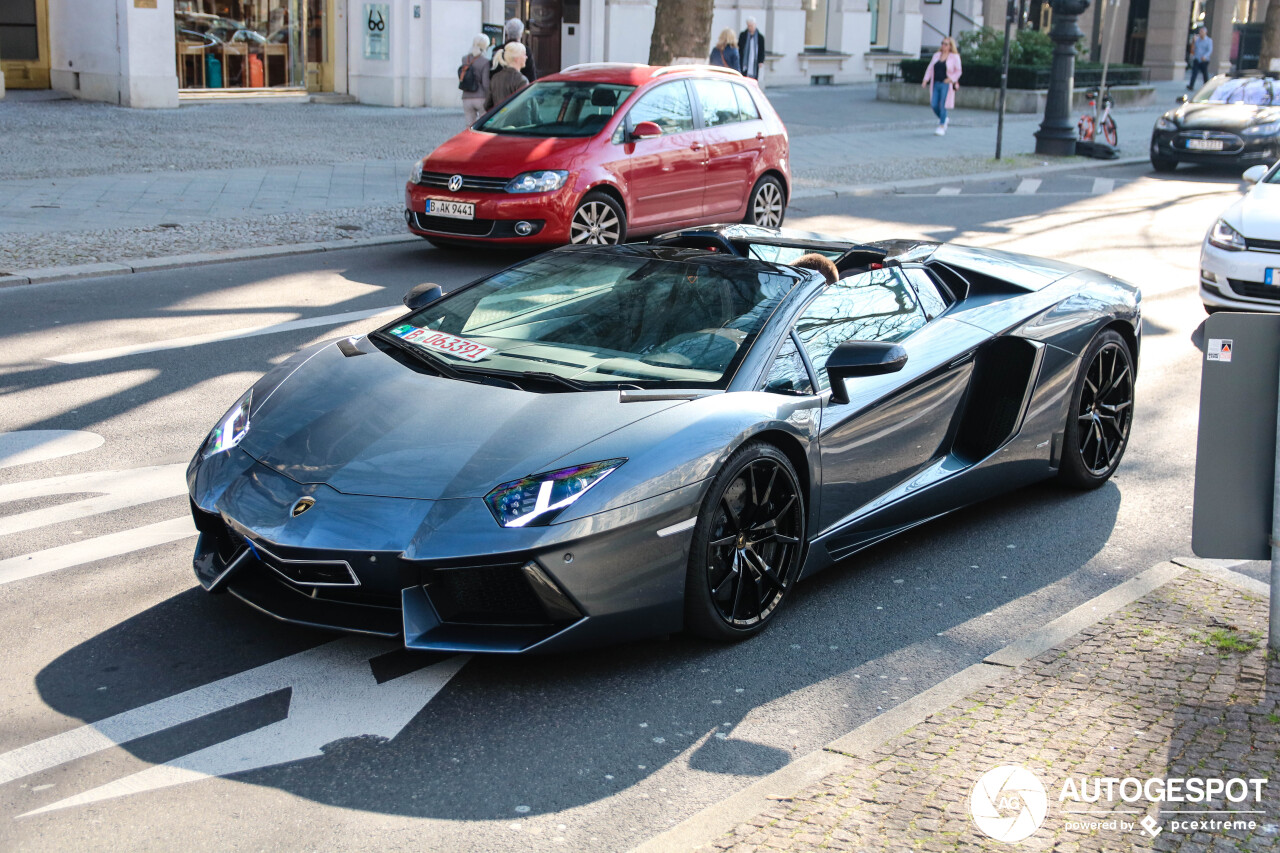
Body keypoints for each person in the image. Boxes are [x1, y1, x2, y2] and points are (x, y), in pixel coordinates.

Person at [921, 37, 962, 136]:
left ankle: (941, 126)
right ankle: (944, 118)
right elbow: (930, 68)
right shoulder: (936, 55)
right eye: (942, 43)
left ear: (950, 46)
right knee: (934, 104)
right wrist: (925, 79)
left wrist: (951, 78)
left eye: (946, 44)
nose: (943, 46)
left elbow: (958, 71)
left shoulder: (954, 57)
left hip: (946, 84)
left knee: (943, 104)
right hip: (936, 83)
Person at [485, 41, 529, 112]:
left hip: (499, 121)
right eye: (524, 54)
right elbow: (526, 107)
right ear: (516, 58)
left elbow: (487, 105)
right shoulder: (522, 80)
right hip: (517, 122)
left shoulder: (495, 77)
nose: (526, 57)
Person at [459, 34, 491, 127]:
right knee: (482, 126)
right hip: (481, 97)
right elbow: (485, 83)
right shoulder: (485, 61)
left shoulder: (465, 59)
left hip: (466, 96)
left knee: (469, 126)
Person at [494, 17, 537, 84]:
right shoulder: (526, 51)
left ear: (507, 32)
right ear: (521, 33)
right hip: (520, 90)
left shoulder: (497, 49)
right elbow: (531, 76)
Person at [1189, 26, 1213, 91]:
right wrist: (1193, 41)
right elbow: (1193, 49)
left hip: (1204, 60)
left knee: (1205, 74)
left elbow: (1209, 50)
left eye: (1202, 31)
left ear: (1205, 32)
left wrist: (1205, 56)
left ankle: (1206, 86)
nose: (1201, 33)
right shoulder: (1197, 40)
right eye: (1200, 31)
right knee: (1194, 73)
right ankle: (1191, 86)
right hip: (1197, 59)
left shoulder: (1209, 40)